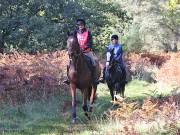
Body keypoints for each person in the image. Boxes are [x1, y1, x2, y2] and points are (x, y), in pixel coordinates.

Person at [63, 19, 99, 85]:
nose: (80, 26)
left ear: (84, 25)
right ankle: (68, 78)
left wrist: (85, 47)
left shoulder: (88, 32)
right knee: (68, 63)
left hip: (86, 51)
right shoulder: (75, 32)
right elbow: (71, 39)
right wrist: (68, 33)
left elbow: (90, 42)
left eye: (81, 25)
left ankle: (94, 78)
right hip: (77, 52)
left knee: (93, 63)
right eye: (79, 25)